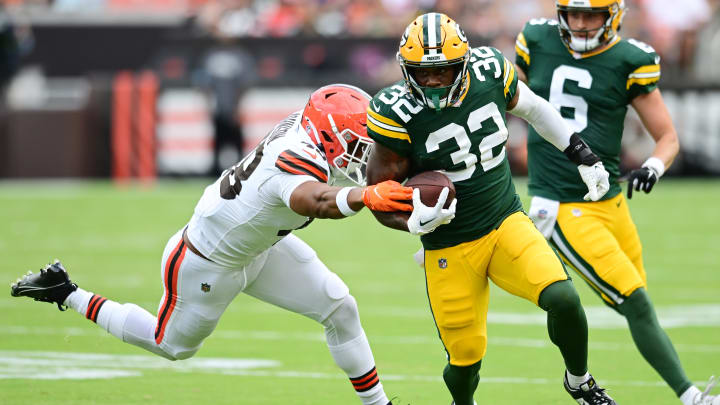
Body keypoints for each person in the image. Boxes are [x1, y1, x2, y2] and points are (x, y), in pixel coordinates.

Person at [10, 84, 413, 405]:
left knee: (340, 308)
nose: (365, 153)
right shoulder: (293, 157)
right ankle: (66, 291)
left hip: (260, 248)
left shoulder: (305, 129)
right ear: (327, 134)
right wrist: (366, 196)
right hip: (206, 263)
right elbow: (318, 200)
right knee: (172, 346)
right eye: (358, 142)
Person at [365, 12, 616, 405]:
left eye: (443, 71)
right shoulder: (394, 110)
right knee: (465, 361)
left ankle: (579, 380)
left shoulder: (490, 70)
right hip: (449, 245)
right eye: (422, 72)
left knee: (563, 299)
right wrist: (413, 221)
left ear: (463, 66)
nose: (431, 81)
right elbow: (379, 196)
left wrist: (580, 152)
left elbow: (533, 108)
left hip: (504, 221)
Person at [514, 1, 719, 404]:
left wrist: (653, 167)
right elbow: (504, 97)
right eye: (573, 13)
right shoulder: (535, 39)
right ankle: (693, 396)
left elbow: (668, 137)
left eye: (592, 14)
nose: (581, 23)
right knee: (635, 301)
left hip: (609, 201)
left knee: (636, 302)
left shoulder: (630, 59)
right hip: (560, 204)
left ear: (614, 16)